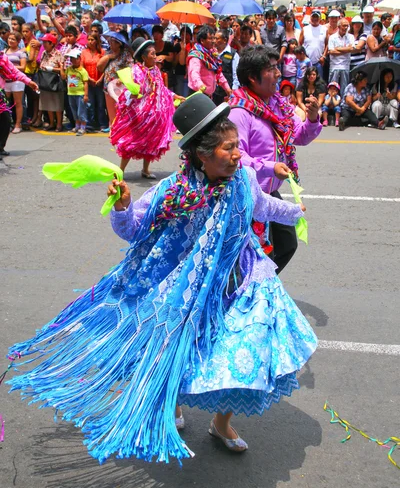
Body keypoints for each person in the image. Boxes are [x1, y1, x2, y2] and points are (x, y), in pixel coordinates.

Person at [7, 92, 317, 464]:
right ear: (201, 154)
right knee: (181, 350)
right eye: (229, 148)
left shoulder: (244, 178)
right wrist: (122, 207)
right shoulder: (174, 191)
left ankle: (221, 422)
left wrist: (292, 211)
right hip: (191, 288)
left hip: (245, 278)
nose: (238, 155)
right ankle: (171, 404)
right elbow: (133, 229)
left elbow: (263, 206)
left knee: (246, 353)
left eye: (237, 147)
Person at [228, 45, 322, 272]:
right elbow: (235, 158)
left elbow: (298, 136)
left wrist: (311, 118)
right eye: (271, 68)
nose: (278, 73)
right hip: (249, 195)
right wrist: (270, 168)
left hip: (271, 192)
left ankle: (261, 288)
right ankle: (247, 292)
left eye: (277, 67)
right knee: (251, 254)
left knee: (286, 244)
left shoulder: (276, 104)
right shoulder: (240, 112)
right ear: (252, 77)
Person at [110, 37, 185, 176]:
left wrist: (175, 96)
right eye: (152, 54)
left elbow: (162, 89)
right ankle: (120, 170)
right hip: (139, 114)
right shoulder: (136, 71)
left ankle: (145, 170)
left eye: (155, 53)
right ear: (144, 57)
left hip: (153, 114)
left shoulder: (156, 70)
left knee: (150, 141)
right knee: (130, 142)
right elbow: (130, 91)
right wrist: (132, 94)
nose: (155, 56)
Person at [0, 51, 38, 157]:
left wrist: (28, 81)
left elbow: (14, 71)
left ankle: (0, 147)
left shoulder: (3, 58)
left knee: (6, 120)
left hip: (0, 95)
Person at [97, 31, 133, 128]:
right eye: (110, 41)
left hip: (120, 88)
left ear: (119, 43)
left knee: (121, 112)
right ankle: (114, 130)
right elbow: (99, 67)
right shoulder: (108, 53)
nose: (110, 43)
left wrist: (122, 79)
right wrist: (109, 57)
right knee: (112, 114)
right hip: (108, 88)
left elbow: (131, 68)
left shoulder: (126, 54)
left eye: (113, 42)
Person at [187, 25, 231, 101]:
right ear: (202, 40)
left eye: (214, 38)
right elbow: (194, 73)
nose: (213, 41)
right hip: (197, 95)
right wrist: (200, 86)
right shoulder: (196, 55)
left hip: (209, 96)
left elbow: (218, 72)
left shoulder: (212, 54)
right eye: (210, 38)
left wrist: (227, 88)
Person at [81, 32, 108, 132]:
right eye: (89, 40)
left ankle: (102, 123)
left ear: (97, 41)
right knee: (90, 104)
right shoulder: (84, 52)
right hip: (88, 82)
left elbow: (106, 68)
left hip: (100, 82)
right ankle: (91, 123)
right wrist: (88, 78)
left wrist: (100, 79)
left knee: (101, 104)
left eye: (93, 39)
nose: (90, 42)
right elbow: (82, 67)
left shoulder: (102, 52)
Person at [37, 33, 64, 132]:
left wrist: (52, 69)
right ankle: (52, 123)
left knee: (57, 104)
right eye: (43, 42)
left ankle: (59, 124)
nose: (44, 44)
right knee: (47, 104)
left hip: (54, 81)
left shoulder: (58, 54)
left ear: (52, 43)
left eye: (46, 42)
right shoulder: (44, 53)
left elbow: (62, 69)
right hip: (45, 80)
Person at [60, 49, 89, 136]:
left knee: (81, 111)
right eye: (71, 59)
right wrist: (61, 67)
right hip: (71, 93)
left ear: (79, 59)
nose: (73, 60)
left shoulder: (83, 71)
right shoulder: (69, 69)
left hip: (80, 94)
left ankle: (83, 127)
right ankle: (77, 126)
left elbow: (86, 83)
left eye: (75, 58)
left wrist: (86, 95)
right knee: (74, 111)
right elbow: (63, 77)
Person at [4, 31, 27, 134]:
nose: (10, 41)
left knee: (18, 103)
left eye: (13, 39)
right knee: (5, 103)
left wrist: (10, 67)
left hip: (17, 80)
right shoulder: (4, 51)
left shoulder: (21, 53)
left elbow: (23, 67)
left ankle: (18, 124)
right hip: (5, 80)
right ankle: (7, 123)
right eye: (9, 38)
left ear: (18, 41)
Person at [213, 29, 239, 106]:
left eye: (217, 39)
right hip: (213, 92)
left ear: (224, 40)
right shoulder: (212, 52)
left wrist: (233, 91)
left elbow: (236, 75)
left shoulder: (233, 54)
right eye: (214, 38)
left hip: (227, 92)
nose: (214, 41)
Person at [327, 18, 354, 94]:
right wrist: (346, 50)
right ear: (339, 26)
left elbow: (351, 48)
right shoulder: (332, 37)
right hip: (334, 65)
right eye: (344, 26)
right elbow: (331, 51)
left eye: (347, 26)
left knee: (344, 88)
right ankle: (332, 102)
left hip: (345, 66)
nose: (346, 28)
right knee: (333, 87)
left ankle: (343, 103)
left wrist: (338, 48)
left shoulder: (350, 37)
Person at [299, 10, 327, 78]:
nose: (315, 19)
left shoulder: (324, 29)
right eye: (313, 17)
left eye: (316, 17)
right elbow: (299, 43)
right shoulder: (305, 29)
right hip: (307, 61)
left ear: (320, 18)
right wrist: (303, 56)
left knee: (319, 82)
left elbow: (327, 44)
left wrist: (324, 56)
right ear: (310, 17)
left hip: (319, 62)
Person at [152, 24, 176, 90]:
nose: (155, 35)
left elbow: (172, 58)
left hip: (168, 73)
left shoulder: (168, 45)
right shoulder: (151, 46)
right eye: (154, 33)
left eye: (158, 33)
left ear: (162, 35)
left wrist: (164, 56)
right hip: (156, 74)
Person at [174, 26, 193, 98]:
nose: (184, 36)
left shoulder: (193, 46)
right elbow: (178, 62)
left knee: (187, 95)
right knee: (179, 94)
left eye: (187, 34)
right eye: (182, 34)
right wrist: (182, 51)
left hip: (189, 75)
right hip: (179, 74)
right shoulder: (177, 46)